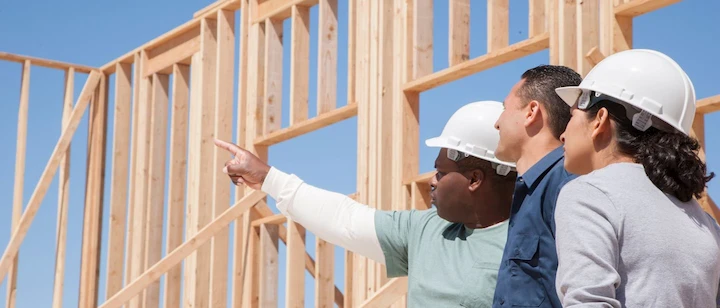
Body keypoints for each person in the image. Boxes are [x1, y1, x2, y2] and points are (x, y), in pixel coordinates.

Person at [214, 101, 518, 307]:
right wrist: (269, 177)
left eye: (440, 172)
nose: (432, 180)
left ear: (475, 179)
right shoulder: (426, 230)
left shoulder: (529, 240)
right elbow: (345, 220)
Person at [553, 48, 720, 307]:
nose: (562, 135)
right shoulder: (704, 222)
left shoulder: (590, 194)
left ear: (599, 120)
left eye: (571, 116)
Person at [491, 64, 583, 307]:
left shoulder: (567, 185)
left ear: (531, 112)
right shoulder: (532, 189)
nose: (497, 123)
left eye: (504, 109)